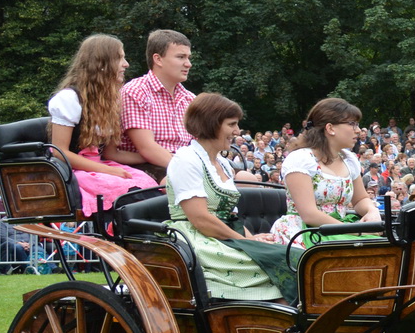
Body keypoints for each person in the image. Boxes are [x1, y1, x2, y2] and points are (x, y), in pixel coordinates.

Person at [166, 93, 292, 302]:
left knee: (288, 256)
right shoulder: (186, 160)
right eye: (231, 124)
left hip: (222, 233)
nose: (236, 131)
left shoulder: (223, 163)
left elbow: (230, 216)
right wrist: (246, 242)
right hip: (197, 237)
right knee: (276, 262)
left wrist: (252, 239)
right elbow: (201, 219)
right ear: (211, 124)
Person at [45, 34, 158, 214]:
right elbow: (59, 153)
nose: (126, 64)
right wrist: (106, 170)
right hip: (76, 172)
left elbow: (111, 153)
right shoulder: (70, 99)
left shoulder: (110, 102)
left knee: (151, 188)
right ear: (102, 63)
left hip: (102, 167)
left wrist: (152, 156)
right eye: (120, 58)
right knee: (132, 195)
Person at [270, 98, 382, 248]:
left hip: (340, 228)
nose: (358, 130)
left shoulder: (349, 160)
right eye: (352, 124)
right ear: (330, 128)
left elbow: (360, 199)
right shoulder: (301, 159)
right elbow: (309, 214)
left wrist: (372, 210)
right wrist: (356, 231)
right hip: (306, 231)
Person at [119, 29, 196, 178]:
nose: (188, 64)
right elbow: (147, 148)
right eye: (181, 57)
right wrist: (192, 170)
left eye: (188, 57)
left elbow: (201, 145)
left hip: (183, 166)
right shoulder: (135, 91)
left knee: (246, 178)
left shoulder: (190, 98)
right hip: (146, 169)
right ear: (158, 59)